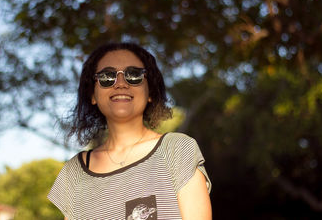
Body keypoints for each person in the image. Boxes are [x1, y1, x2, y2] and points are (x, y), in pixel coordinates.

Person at [48, 43, 212, 219]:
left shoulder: (178, 149)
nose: (120, 83)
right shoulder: (74, 172)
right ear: (93, 95)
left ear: (150, 92)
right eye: (107, 77)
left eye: (133, 75)